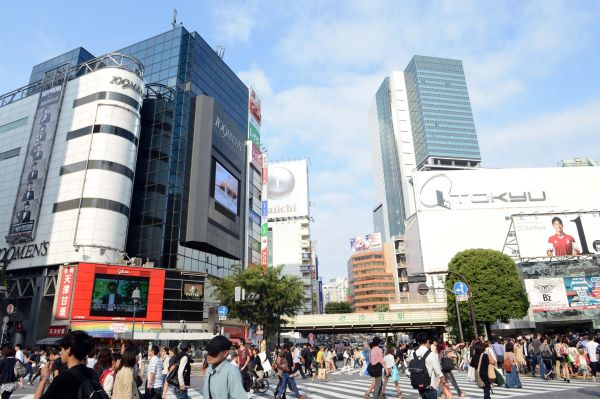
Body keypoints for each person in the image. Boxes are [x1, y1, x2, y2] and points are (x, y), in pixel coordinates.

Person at [33, 330, 97, 399]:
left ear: (69, 350)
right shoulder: (93, 373)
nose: (61, 353)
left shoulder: (63, 378)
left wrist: (44, 378)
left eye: (62, 349)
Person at [410, 333, 443, 399]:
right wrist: (442, 377)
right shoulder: (431, 354)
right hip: (430, 385)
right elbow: (437, 369)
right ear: (427, 341)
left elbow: (410, 368)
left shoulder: (413, 353)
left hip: (418, 384)